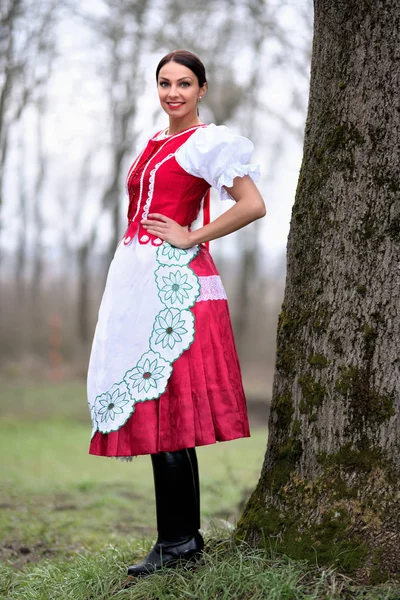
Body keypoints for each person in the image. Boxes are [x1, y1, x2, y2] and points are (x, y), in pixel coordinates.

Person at [87, 49, 266, 577]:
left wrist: (193, 234)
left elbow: (252, 204)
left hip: (175, 287)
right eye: (165, 83)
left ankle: (178, 543)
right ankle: (182, 541)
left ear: (202, 89)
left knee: (167, 410)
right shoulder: (156, 143)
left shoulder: (209, 142)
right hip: (137, 280)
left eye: (184, 84)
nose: (173, 93)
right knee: (162, 412)